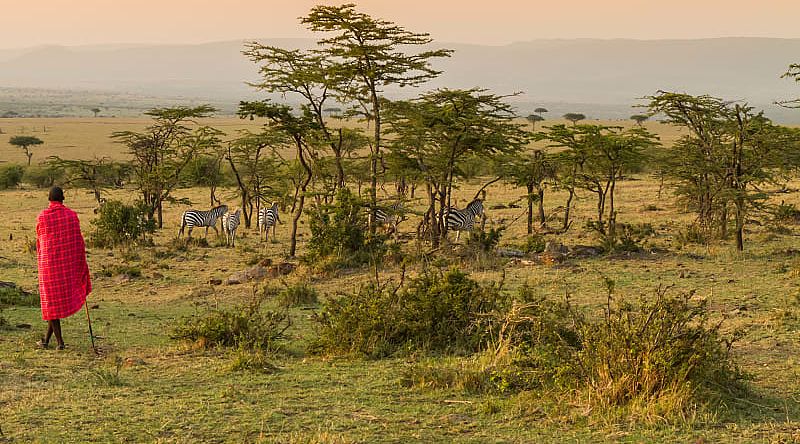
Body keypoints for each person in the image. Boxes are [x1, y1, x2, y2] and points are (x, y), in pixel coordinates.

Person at [36, 186, 92, 350]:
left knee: (51, 303)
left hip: (48, 267)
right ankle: (46, 341)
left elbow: (40, 241)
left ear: (49, 199)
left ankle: (59, 343)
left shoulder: (42, 217)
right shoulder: (71, 216)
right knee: (52, 305)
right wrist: (80, 264)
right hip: (66, 267)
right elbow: (78, 243)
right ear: (63, 199)